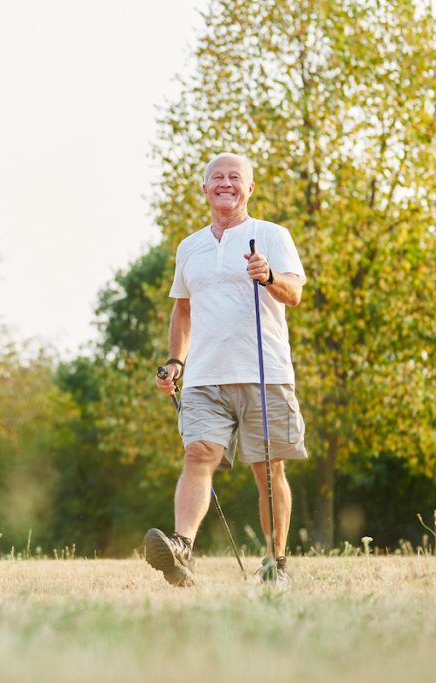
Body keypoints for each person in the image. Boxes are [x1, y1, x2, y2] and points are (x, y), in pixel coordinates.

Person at [144, 152, 308, 587]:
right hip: (204, 375)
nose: (225, 183)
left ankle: (276, 564)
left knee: (268, 468)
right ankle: (181, 548)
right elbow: (183, 309)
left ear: (249, 188)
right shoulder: (190, 246)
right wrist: (176, 360)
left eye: (235, 177)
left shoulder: (271, 236)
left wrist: (269, 276)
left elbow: (294, 293)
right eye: (217, 177)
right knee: (199, 454)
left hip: (265, 372)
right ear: (205, 188)